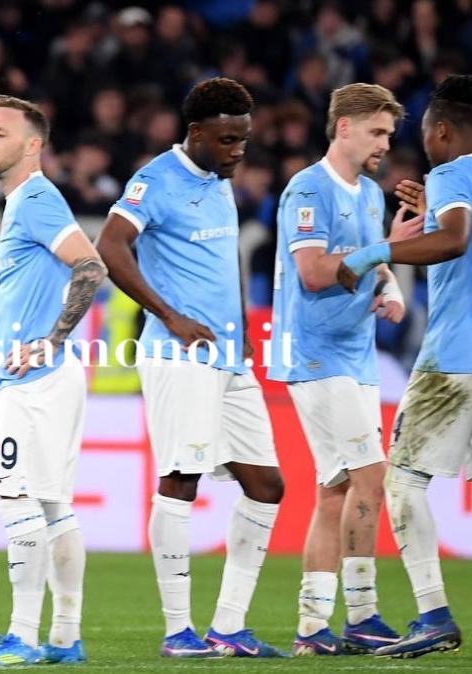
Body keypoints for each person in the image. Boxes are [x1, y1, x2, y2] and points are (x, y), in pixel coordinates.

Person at [339, 74, 472, 660]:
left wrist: (375, 251)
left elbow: (452, 241)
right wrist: (427, 222)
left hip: (456, 356)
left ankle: (433, 614)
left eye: (426, 136)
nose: (424, 148)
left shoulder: (450, 175)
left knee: (403, 483)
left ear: (443, 130)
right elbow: (468, 246)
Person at [95, 77, 286, 659]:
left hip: (229, 357)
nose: (237, 152)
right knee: (182, 478)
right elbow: (109, 246)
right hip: (180, 356)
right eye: (228, 140)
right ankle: (178, 630)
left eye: (244, 141)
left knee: (267, 485)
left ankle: (228, 627)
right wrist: (169, 315)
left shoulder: (219, 180)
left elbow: (220, 256)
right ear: (196, 133)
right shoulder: (155, 180)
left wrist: (245, 327)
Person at [269, 83, 418, 656]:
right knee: (371, 477)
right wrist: (385, 253)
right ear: (346, 126)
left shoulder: (372, 193)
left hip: (353, 352)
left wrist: (392, 287)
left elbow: (373, 257)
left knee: (335, 489)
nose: (385, 143)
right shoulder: (308, 188)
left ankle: (312, 630)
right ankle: (361, 615)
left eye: (389, 134)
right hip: (315, 352)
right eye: (378, 131)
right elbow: (312, 272)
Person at [0, 95, 106, 667]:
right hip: (51, 377)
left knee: (19, 499)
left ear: (32, 145)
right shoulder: (27, 202)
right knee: (54, 507)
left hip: (38, 377)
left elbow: (90, 265)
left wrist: (51, 339)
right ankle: (66, 637)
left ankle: (22, 637)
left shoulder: (36, 199)